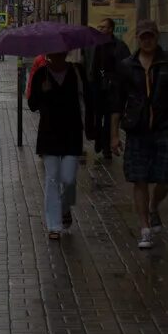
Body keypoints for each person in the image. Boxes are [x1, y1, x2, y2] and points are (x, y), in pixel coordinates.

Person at [111, 19, 168, 249]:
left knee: (166, 177)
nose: (147, 40)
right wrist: (114, 135)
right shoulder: (127, 66)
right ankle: (145, 227)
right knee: (140, 178)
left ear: (157, 37)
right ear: (138, 38)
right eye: (143, 36)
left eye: (151, 36)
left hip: (165, 128)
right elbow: (117, 103)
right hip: (137, 130)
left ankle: (154, 205)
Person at [27, 51, 93, 240]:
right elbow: (32, 104)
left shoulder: (76, 71)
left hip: (72, 133)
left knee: (69, 179)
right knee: (52, 178)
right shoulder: (41, 74)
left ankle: (65, 208)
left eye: (60, 53)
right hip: (49, 134)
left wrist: (91, 127)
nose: (57, 56)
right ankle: (54, 226)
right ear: (48, 54)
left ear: (66, 53)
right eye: (53, 54)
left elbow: (88, 99)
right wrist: (42, 90)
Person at [84, 19, 132, 163]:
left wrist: (118, 82)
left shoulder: (119, 46)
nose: (100, 29)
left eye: (103, 27)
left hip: (113, 88)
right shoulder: (93, 45)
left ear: (111, 29)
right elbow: (88, 63)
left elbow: (125, 66)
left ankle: (106, 148)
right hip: (97, 87)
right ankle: (99, 141)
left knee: (110, 118)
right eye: (99, 26)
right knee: (98, 117)